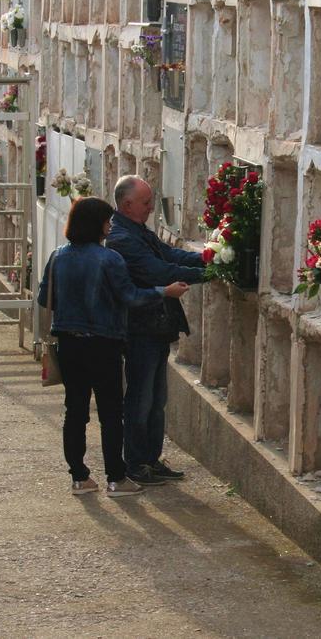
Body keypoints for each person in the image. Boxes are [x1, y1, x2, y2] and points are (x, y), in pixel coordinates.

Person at [38, 197, 190, 498]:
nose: (110, 227)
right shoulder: (109, 259)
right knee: (110, 412)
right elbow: (130, 296)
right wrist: (165, 291)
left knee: (75, 411)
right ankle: (116, 478)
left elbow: (45, 299)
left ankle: (79, 477)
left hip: (69, 343)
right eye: (107, 221)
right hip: (103, 343)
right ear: (97, 224)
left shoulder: (58, 257)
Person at [106, 175, 206, 486]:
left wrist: (207, 258)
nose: (152, 208)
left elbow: (168, 254)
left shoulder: (136, 230)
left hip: (156, 327)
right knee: (141, 398)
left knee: (157, 397)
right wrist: (208, 274)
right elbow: (159, 271)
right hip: (140, 328)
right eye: (146, 203)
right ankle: (136, 463)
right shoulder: (121, 238)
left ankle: (150, 458)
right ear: (127, 205)